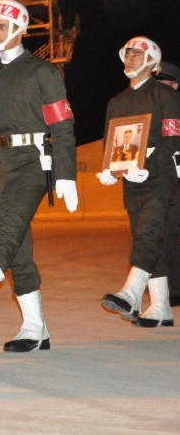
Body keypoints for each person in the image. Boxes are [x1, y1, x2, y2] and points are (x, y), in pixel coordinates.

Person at [0, 0, 78, 352]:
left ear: (20, 30)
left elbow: (63, 126)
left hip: (33, 162)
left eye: (1, 26)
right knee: (18, 243)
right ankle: (35, 327)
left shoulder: (43, 73)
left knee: (9, 231)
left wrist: (66, 173)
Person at [98, 38, 180, 327]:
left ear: (151, 61)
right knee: (146, 237)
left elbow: (173, 140)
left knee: (149, 235)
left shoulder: (165, 95)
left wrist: (149, 166)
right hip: (131, 182)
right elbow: (111, 142)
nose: (130, 59)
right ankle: (160, 307)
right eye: (127, 54)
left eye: (136, 54)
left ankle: (131, 293)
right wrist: (108, 169)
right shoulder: (116, 102)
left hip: (161, 179)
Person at [153, 61, 180, 307]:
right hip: (165, 181)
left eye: (165, 85)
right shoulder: (151, 115)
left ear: (175, 85)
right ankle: (173, 289)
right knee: (165, 236)